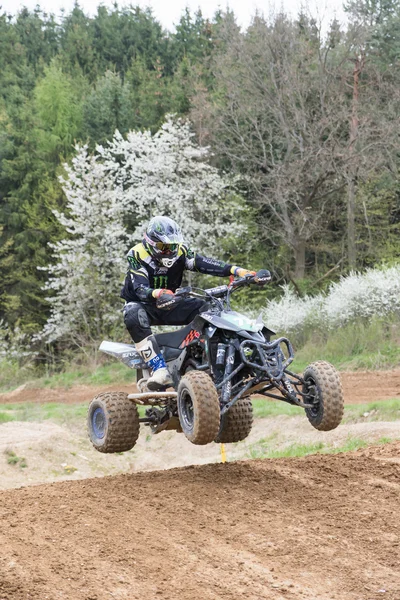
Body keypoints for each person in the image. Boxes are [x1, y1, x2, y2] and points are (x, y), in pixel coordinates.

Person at [121, 216, 255, 390]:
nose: (169, 251)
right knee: (132, 313)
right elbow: (139, 288)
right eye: (164, 247)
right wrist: (159, 293)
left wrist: (238, 271)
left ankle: (209, 361)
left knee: (209, 307)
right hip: (145, 305)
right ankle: (159, 369)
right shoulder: (137, 254)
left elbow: (203, 262)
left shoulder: (182, 251)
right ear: (151, 243)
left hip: (172, 301)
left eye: (173, 246)